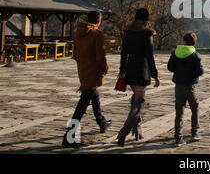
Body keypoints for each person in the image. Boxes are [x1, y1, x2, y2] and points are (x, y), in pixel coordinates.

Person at [62, 11, 111, 148]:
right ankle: (69, 137)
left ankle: (102, 122)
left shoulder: (78, 32)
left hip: (83, 70)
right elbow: (100, 56)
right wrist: (105, 69)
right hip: (94, 71)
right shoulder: (97, 34)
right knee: (82, 106)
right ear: (99, 21)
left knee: (93, 95)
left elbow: (75, 54)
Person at [116, 8, 160, 147]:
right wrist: (155, 76)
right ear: (146, 20)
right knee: (139, 104)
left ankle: (137, 130)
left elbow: (123, 54)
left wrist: (122, 71)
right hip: (142, 70)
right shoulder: (147, 34)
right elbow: (150, 56)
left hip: (130, 70)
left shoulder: (127, 33)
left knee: (135, 102)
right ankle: (123, 133)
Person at [168, 32, 204, 146]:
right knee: (195, 107)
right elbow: (200, 71)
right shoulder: (195, 55)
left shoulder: (175, 53)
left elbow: (170, 67)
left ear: (184, 41)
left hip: (178, 85)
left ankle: (178, 137)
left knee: (179, 111)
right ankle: (195, 132)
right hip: (189, 85)